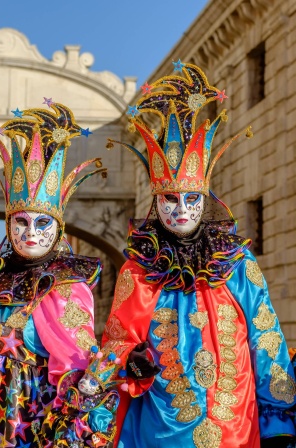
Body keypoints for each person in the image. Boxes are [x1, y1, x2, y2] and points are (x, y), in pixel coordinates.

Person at [102, 61, 296, 448]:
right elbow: (116, 341)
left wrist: (280, 424)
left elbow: (266, 338)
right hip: (161, 428)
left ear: (205, 199)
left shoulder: (236, 264)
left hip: (235, 429)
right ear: (156, 203)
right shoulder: (137, 271)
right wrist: (130, 361)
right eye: (170, 200)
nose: (181, 209)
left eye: (192, 199)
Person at [0, 101, 119, 447]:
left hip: (32, 418)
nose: (31, 234)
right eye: (21, 223)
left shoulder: (66, 285)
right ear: (8, 226)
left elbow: (77, 359)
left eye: (42, 223)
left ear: (59, 226)